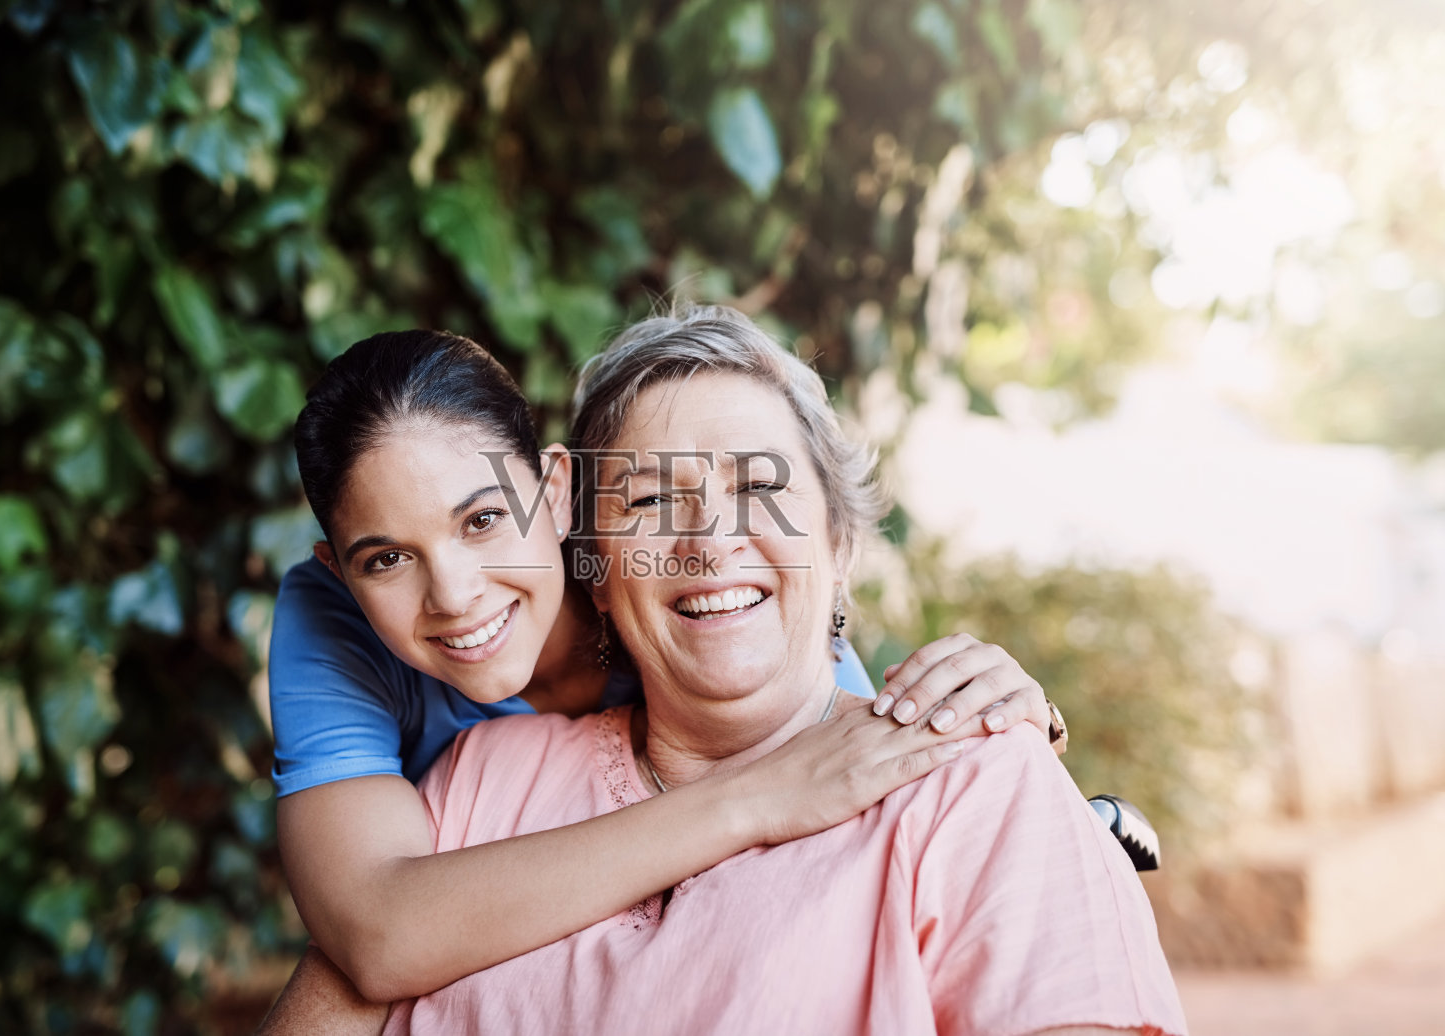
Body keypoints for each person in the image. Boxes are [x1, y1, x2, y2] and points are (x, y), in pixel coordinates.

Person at [314, 305, 1186, 1034]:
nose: (709, 542)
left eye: (759, 488)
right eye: (652, 501)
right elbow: (366, 947)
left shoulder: (976, 781)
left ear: (839, 543)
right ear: (598, 571)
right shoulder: (479, 782)